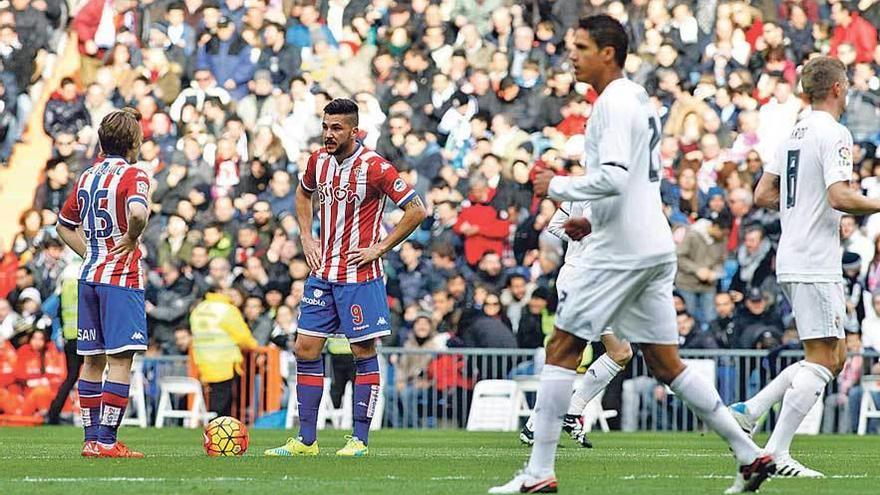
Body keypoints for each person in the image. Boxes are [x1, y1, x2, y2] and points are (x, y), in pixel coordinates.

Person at [491, 16, 773, 494]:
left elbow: (617, 176)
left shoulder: (612, 103)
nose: (571, 55)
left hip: (621, 252)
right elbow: (635, 183)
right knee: (666, 364)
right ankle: (748, 454)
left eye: (580, 47)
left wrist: (555, 185)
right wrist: (592, 217)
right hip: (651, 242)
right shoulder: (638, 100)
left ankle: (538, 473)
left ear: (608, 52)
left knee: (561, 348)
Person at [730, 55, 880, 478]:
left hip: (794, 255)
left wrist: (800, 203)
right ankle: (775, 451)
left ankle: (751, 410)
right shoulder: (834, 133)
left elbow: (762, 193)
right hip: (815, 259)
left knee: (831, 355)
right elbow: (840, 197)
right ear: (836, 88)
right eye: (847, 85)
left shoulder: (792, 132)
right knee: (825, 358)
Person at [264, 98, 426, 457]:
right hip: (323, 272)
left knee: (362, 351)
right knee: (305, 348)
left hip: (360, 274)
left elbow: (417, 210)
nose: (328, 134)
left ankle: (360, 440)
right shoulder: (317, 162)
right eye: (325, 127)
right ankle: (307, 441)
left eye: (336, 128)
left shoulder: (375, 167)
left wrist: (381, 247)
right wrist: (306, 236)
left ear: (354, 130)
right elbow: (303, 193)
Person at [55, 108, 151, 458]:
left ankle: (91, 440)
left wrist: (92, 253)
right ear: (132, 142)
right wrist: (131, 237)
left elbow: (64, 224)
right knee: (120, 361)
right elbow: (139, 212)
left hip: (90, 277)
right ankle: (108, 440)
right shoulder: (133, 175)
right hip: (121, 280)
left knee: (91, 361)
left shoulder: (88, 176)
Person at [519, 199, 633, 449]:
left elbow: (556, 226)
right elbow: (557, 226)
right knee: (571, 353)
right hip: (581, 279)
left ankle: (570, 412)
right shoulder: (601, 196)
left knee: (620, 352)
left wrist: (579, 240)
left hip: (596, 282)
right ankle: (539, 422)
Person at [189, 285, 258, 417]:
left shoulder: (199, 309)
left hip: (202, 361)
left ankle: (214, 427)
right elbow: (243, 337)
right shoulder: (227, 309)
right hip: (223, 362)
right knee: (222, 404)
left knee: (212, 399)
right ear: (221, 292)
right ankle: (218, 430)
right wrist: (253, 345)